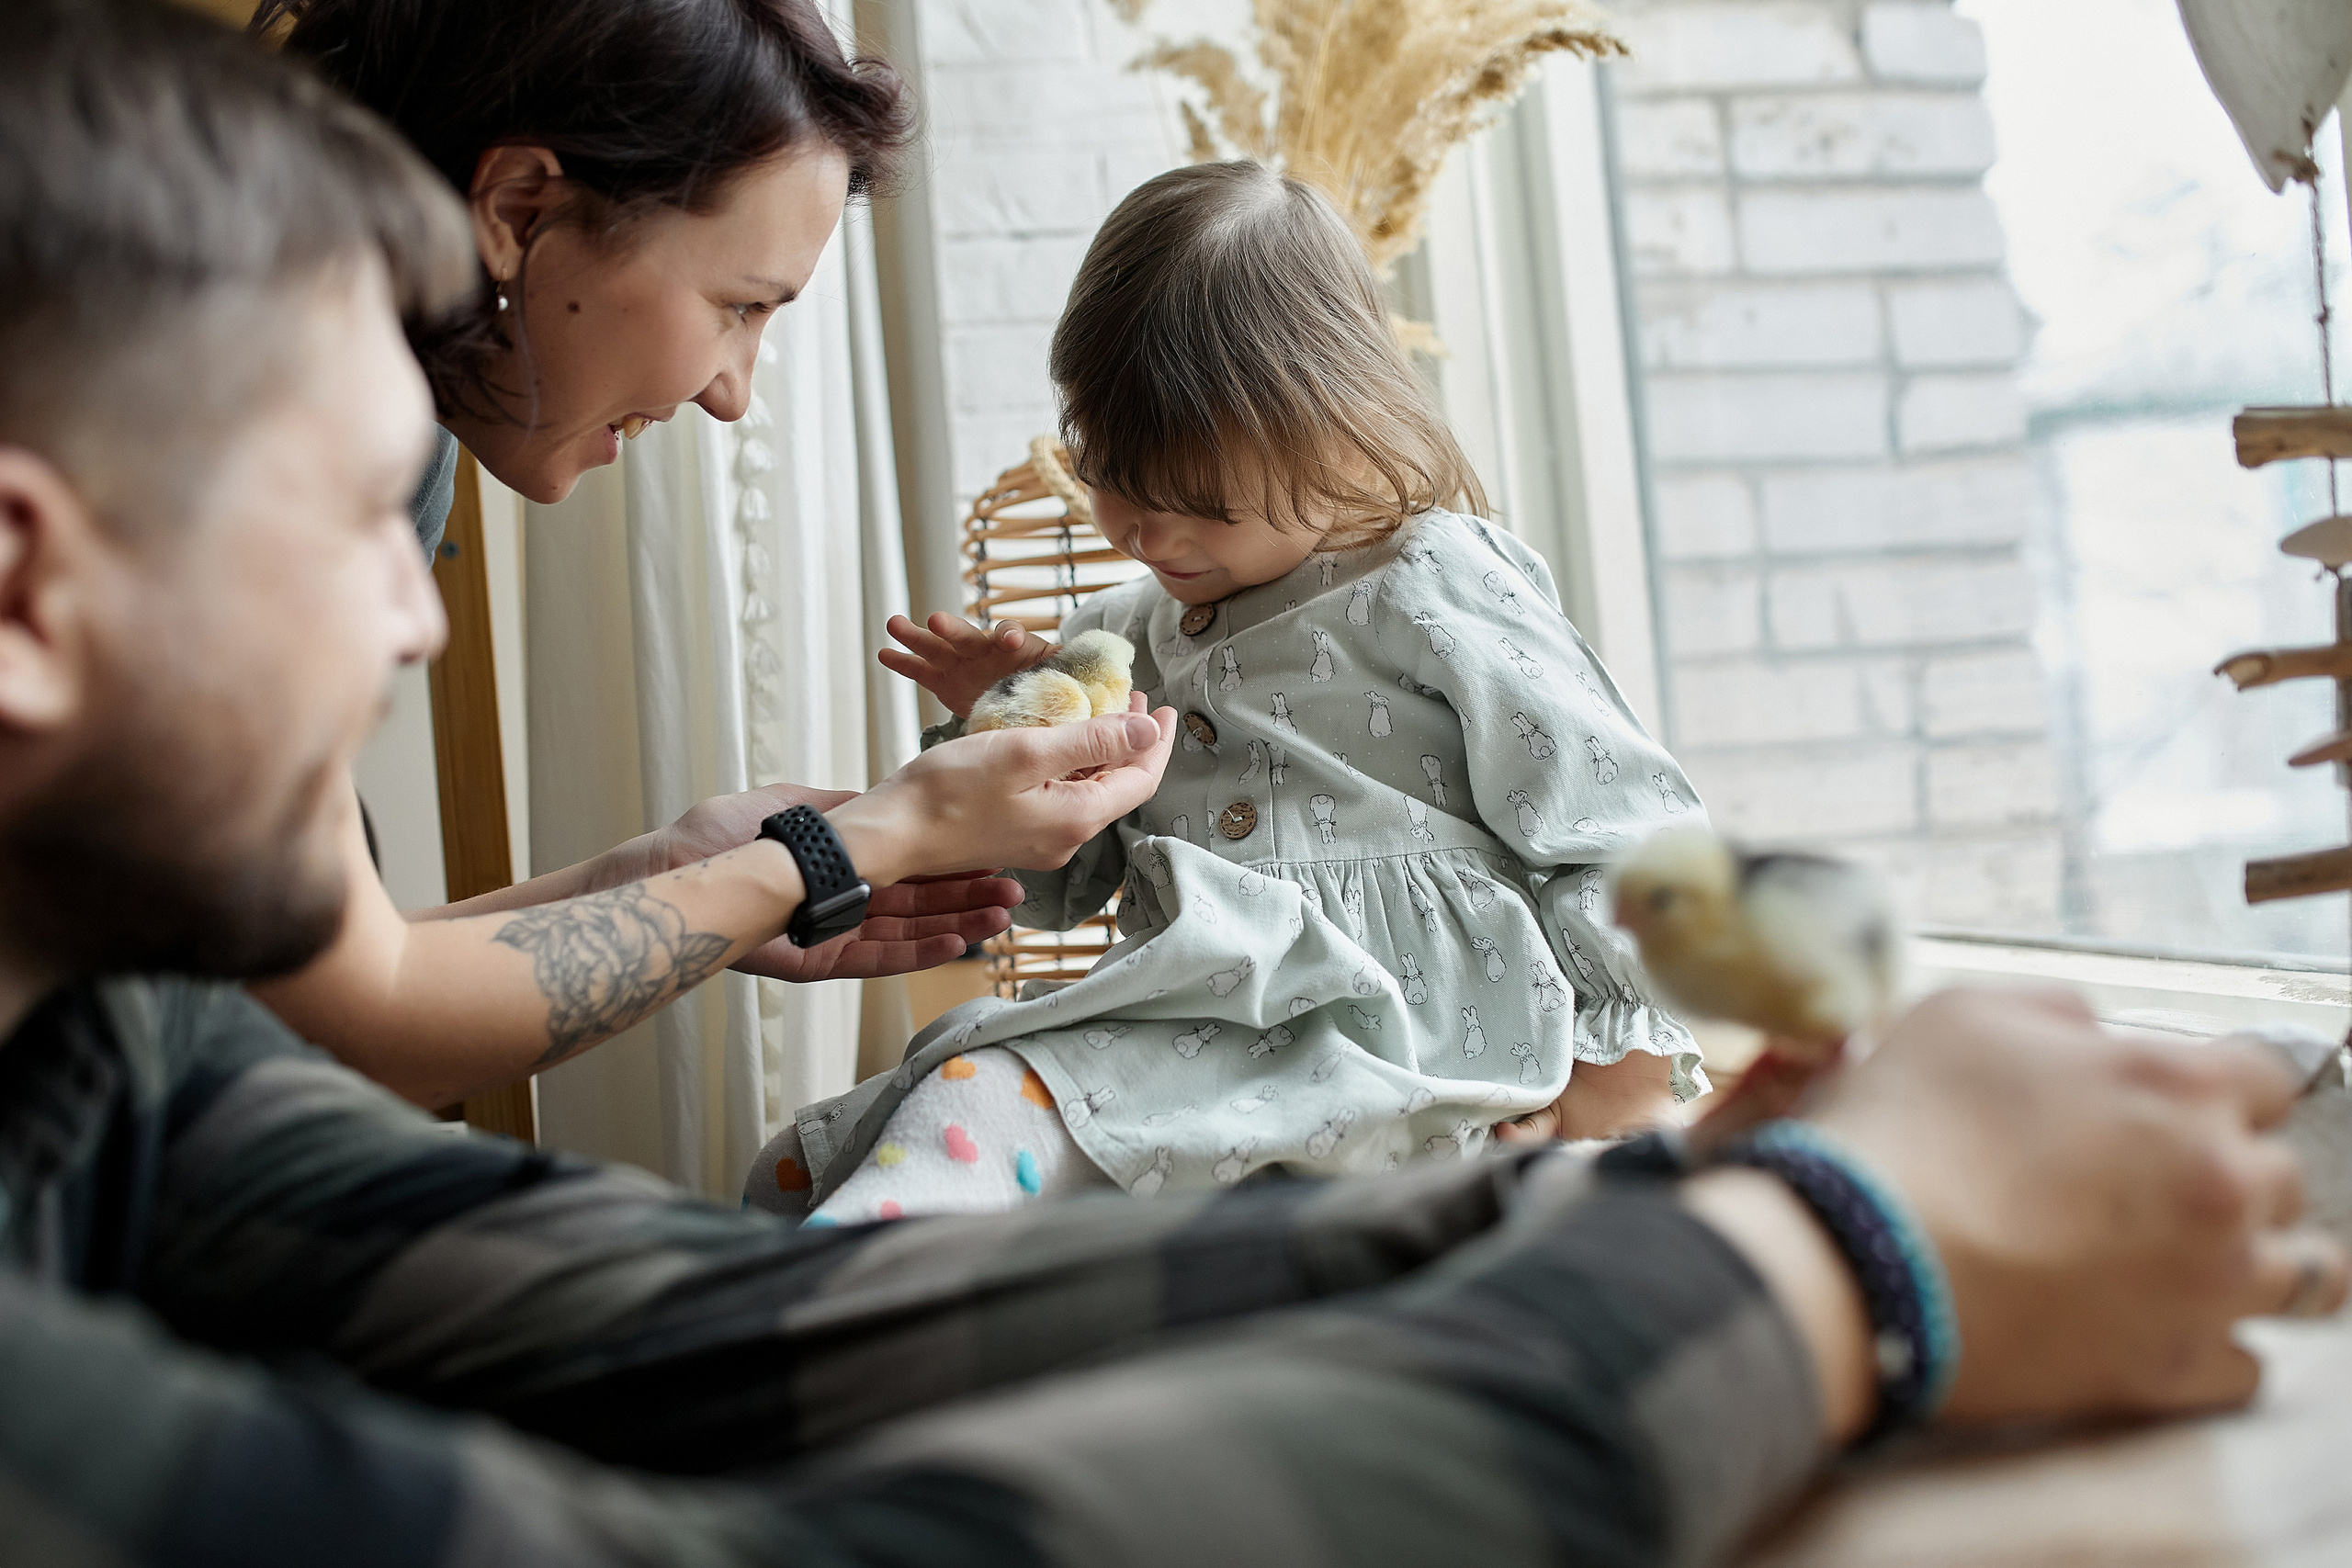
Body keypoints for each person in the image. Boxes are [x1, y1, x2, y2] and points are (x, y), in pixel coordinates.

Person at [3, 6, 2346, 1564]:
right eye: (352, 519)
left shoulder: (108, 1062)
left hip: (1381, 1077)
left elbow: (672, 1316)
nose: (418, 612)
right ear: (32, 587)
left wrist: (1622, 1179)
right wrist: (1833, 1254)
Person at [758, 163, 1702, 1225]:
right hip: (1187, 1048)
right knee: (814, 1160)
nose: (1147, 535)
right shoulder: (1112, 641)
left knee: (977, 1107)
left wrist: (1620, 1076)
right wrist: (1009, 728)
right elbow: (1060, 886)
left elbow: (1618, 826)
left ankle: (823, 1314)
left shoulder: (1434, 582)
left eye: (1197, 502)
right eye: (1109, 475)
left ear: (1333, 429)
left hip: (1412, 1056)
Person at [241, 0, 1035, 1108]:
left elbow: (287, 995)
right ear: (520, 208)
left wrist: (662, 881)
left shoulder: (392, 445)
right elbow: (355, 1030)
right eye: (736, 306)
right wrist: (854, 846)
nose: (730, 394)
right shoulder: (228, 467)